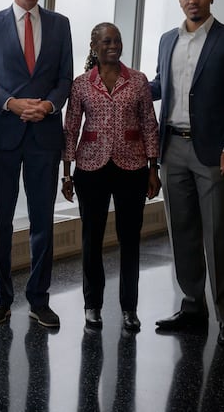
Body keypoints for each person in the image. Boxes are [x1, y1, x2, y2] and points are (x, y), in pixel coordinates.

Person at [150, 0, 224, 349]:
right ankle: (193, 307)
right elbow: (161, 85)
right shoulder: (167, 40)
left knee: (218, 235)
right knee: (182, 233)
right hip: (172, 148)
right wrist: (122, 83)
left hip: (212, 151)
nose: (193, 1)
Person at [0, 0, 73, 327]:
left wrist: (49, 104)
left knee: (42, 221)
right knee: (1, 220)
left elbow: (66, 77)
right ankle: (1, 297)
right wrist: (12, 103)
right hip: (4, 134)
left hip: (45, 134)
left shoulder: (60, 24)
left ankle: (39, 298)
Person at [62, 22, 161, 332]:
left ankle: (129, 308)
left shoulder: (139, 81)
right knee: (91, 239)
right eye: (106, 41)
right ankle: (92, 306)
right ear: (94, 46)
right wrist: (66, 173)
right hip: (90, 168)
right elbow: (70, 128)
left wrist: (153, 168)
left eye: (117, 40)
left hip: (132, 167)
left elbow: (149, 124)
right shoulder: (81, 84)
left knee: (130, 240)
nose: (113, 45)